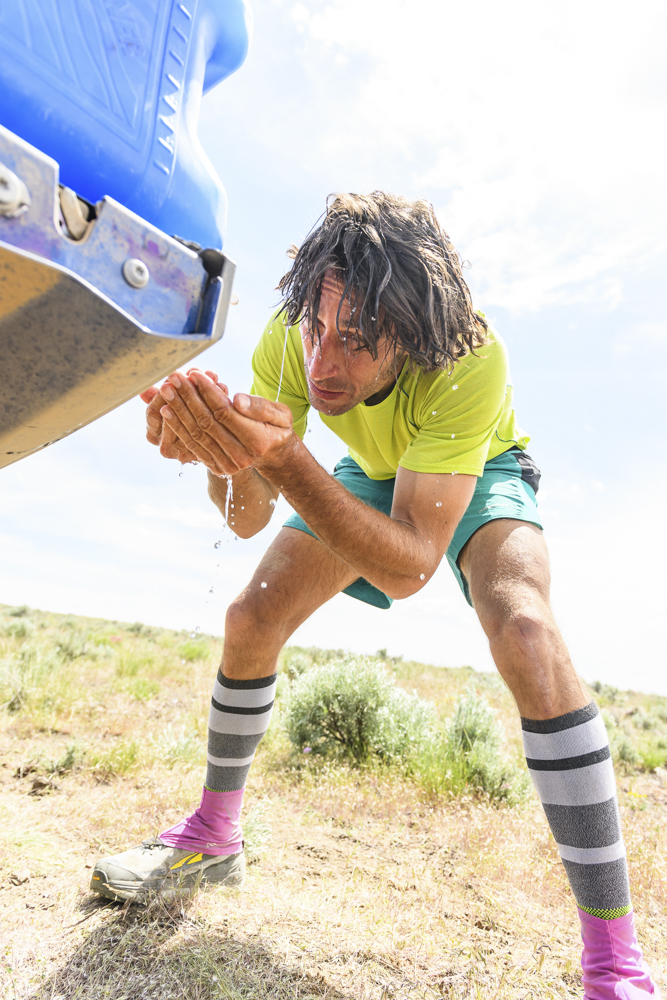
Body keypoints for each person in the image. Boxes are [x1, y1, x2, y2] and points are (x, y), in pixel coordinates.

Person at [91, 192, 660, 999]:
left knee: (526, 630)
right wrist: (216, 450)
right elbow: (245, 517)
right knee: (250, 616)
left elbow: (409, 563)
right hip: (370, 469)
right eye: (319, 329)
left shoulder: (470, 357)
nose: (324, 362)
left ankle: (614, 961)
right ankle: (212, 837)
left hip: (472, 471)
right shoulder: (292, 338)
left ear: (416, 332)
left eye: (356, 341)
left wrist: (285, 462)